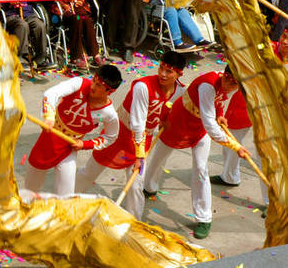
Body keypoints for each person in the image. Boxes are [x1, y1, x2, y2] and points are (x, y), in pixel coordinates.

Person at [77, 52, 186, 219]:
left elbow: (168, 107)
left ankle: (132, 222)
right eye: (161, 68)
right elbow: (138, 123)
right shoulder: (143, 87)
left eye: (169, 72)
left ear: (179, 74)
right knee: (90, 171)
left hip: (144, 138)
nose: (163, 74)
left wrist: (164, 119)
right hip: (119, 134)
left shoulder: (180, 90)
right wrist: (139, 156)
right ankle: (66, 200)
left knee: (135, 185)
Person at [144, 67, 248, 239]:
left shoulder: (229, 86)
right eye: (229, 79)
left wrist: (220, 114)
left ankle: (204, 217)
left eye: (235, 84)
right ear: (225, 74)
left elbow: (219, 101)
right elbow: (210, 125)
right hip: (178, 122)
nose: (230, 85)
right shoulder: (208, 84)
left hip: (199, 129)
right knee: (158, 157)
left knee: (201, 169)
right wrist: (236, 146)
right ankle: (148, 187)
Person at [24, 65, 122, 195]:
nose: (92, 86)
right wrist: (49, 117)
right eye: (94, 81)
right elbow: (51, 93)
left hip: (69, 147)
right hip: (49, 138)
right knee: (30, 189)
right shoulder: (79, 83)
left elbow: (111, 136)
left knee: (66, 195)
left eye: (99, 86)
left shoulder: (109, 114)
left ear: (109, 91)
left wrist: (85, 144)